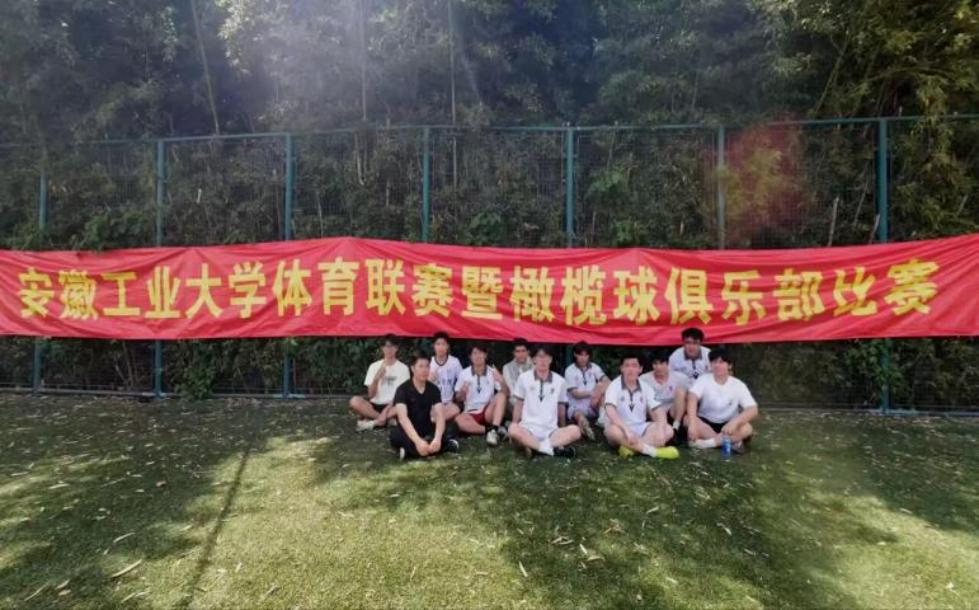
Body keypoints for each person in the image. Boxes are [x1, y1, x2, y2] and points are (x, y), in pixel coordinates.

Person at [602, 353, 679, 459]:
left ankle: (631, 448)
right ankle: (653, 452)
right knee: (612, 431)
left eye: (634, 366)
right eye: (627, 366)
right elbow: (610, 411)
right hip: (621, 428)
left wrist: (661, 430)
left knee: (668, 429)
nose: (630, 369)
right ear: (621, 368)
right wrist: (627, 430)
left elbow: (659, 411)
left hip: (641, 427)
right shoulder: (614, 386)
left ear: (640, 369)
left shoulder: (645, 387)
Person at [508, 344, 580, 458]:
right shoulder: (524, 378)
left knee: (576, 431)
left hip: (550, 430)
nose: (543, 360)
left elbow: (561, 408)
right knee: (513, 429)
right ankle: (549, 449)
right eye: (539, 356)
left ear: (550, 359)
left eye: (546, 357)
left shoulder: (560, 381)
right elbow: (519, 404)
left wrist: (562, 428)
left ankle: (535, 446)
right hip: (528, 428)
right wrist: (515, 422)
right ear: (534, 359)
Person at [389, 351, 461, 460]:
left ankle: (412, 451)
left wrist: (437, 439)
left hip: (426, 427)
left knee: (452, 426)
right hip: (408, 430)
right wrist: (418, 441)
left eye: (427, 366)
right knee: (395, 435)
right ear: (413, 369)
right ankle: (443, 447)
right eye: (421, 366)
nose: (424, 370)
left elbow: (440, 415)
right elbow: (403, 419)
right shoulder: (402, 389)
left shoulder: (433, 389)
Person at [685, 348, 758, 453]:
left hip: (729, 425)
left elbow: (753, 409)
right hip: (706, 422)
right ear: (710, 364)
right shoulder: (703, 379)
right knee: (687, 419)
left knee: (747, 428)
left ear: (729, 365)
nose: (717, 365)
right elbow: (692, 398)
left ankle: (707, 444)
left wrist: (735, 422)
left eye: (721, 362)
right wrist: (692, 424)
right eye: (714, 362)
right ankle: (728, 442)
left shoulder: (738, 384)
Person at [349, 334, 410, 431]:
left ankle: (373, 422)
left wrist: (386, 410)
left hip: (392, 405)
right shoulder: (374, 366)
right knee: (354, 401)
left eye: (392, 346)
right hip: (374, 405)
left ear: (396, 348)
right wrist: (376, 379)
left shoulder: (403, 368)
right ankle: (385, 420)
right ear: (382, 348)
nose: (389, 349)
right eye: (386, 346)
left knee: (404, 405)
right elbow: (371, 395)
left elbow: (402, 395)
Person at [454, 342, 509, 446]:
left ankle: (494, 430)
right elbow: (458, 399)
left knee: (501, 395)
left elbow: (506, 393)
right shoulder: (464, 373)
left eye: (480, 353)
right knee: (458, 421)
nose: (478, 356)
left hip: (488, 411)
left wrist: (501, 380)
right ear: (470, 357)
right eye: (475, 353)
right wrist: (462, 393)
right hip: (471, 412)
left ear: (485, 355)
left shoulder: (492, 372)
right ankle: (491, 430)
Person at [641, 348, 691, 442]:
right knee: (647, 399)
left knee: (681, 392)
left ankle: (676, 427)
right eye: (655, 364)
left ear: (668, 364)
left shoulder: (680, 377)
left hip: (673, 412)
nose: (658, 367)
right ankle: (661, 429)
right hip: (655, 413)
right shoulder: (644, 379)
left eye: (662, 363)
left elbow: (691, 395)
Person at [563, 341, 609, 441]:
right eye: (580, 355)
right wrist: (592, 393)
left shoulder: (594, 367)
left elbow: (607, 381)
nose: (583, 358)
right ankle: (585, 427)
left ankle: (602, 419)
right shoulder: (569, 370)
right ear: (575, 354)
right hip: (577, 405)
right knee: (579, 415)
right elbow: (575, 394)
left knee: (602, 386)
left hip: (593, 403)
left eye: (586, 355)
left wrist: (598, 391)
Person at [429, 331, 463, 421]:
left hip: (448, 403)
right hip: (432, 404)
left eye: (443, 344)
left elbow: (462, 379)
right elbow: (419, 387)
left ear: (447, 346)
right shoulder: (429, 362)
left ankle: (434, 421)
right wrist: (429, 380)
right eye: (438, 344)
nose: (440, 347)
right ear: (434, 346)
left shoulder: (454, 362)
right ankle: (438, 420)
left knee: (456, 409)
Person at [502, 337, 533, 416]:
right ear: (513, 353)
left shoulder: (535, 366)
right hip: (515, 403)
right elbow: (512, 392)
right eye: (518, 351)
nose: (520, 354)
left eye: (523, 351)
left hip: (533, 403)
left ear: (528, 352)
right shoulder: (507, 368)